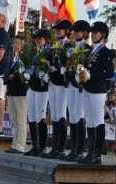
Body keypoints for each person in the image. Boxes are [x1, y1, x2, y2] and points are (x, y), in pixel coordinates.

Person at [79, 21, 114, 164]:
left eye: (96, 32)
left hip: (98, 90)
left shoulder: (105, 51)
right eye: (92, 33)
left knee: (98, 120)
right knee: (90, 121)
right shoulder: (91, 50)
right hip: (87, 88)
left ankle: (97, 155)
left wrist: (92, 77)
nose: (93, 35)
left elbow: (110, 72)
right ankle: (90, 152)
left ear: (103, 35)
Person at [43, 18, 72, 159]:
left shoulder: (69, 46)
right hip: (53, 82)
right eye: (56, 29)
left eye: (60, 29)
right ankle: (55, 146)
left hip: (61, 83)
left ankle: (60, 148)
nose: (57, 31)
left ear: (67, 31)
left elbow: (67, 66)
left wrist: (55, 73)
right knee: (53, 115)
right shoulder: (55, 46)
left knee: (60, 114)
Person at [63, 20, 92, 161]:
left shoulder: (88, 48)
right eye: (75, 31)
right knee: (72, 116)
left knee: (79, 116)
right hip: (70, 83)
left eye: (79, 31)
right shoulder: (70, 46)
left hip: (80, 85)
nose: (75, 34)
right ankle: (73, 148)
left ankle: (80, 150)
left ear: (85, 33)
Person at [23, 29, 53, 157]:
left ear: (46, 40)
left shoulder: (49, 53)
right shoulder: (33, 53)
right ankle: (34, 146)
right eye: (36, 38)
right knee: (32, 117)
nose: (37, 40)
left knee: (40, 117)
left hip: (42, 89)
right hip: (32, 87)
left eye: (40, 38)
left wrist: (46, 75)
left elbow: (51, 69)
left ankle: (42, 147)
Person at [3, 35, 29, 153]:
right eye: (14, 43)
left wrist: (13, 76)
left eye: (18, 43)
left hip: (21, 92)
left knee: (21, 121)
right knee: (13, 120)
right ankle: (14, 144)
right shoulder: (13, 59)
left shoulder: (25, 58)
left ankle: (20, 146)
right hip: (11, 91)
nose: (15, 45)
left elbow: (25, 75)